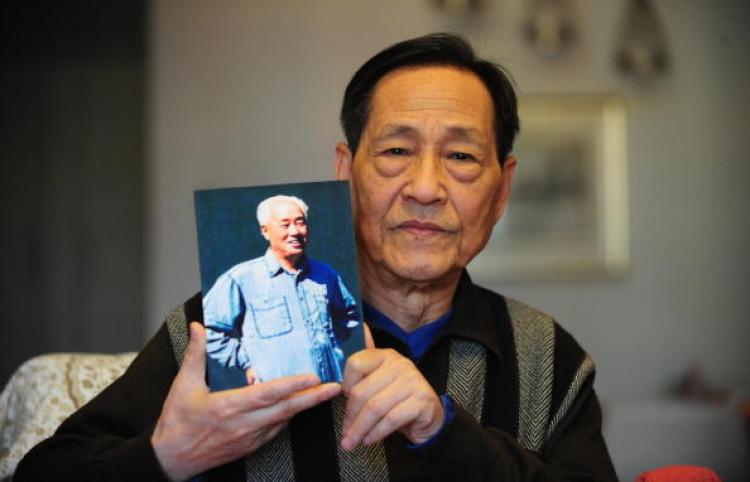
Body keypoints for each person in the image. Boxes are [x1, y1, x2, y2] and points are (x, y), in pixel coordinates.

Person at [15, 33, 617, 481]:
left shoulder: (547, 358)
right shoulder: (219, 324)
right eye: (396, 150)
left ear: (501, 189)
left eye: (460, 157)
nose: (427, 188)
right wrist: (169, 455)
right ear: (343, 173)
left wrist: (445, 430)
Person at [203, 194, 359, 385]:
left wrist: (329, 346)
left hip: (329, 390)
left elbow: (348, 315)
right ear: (265, 231)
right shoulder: (241, 278)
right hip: (275, 401)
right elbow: (207, 330)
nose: (295, 231)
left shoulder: (325, 274)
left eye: (300, 223)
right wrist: (247, 362)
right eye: (285, 225)